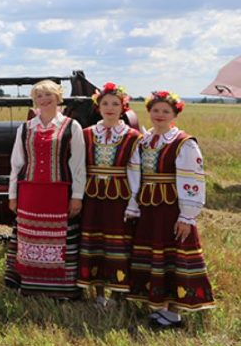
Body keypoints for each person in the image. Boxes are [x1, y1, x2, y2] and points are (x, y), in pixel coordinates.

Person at [126, 91, 214, 328]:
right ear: (149, 113)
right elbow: (135, 176)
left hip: (172, 209)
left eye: (165, 111)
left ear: (174, 114)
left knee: (173, 257)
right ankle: (160, 306)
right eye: (155, 110)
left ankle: (174, 312)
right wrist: (134, 205)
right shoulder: (144, 141)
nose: (159, 115)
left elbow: (192, 180)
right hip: (150, 209)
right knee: (157, 255)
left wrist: (187, 216)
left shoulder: (184, 143)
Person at [4, 80, 86, 298]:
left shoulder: (71, 126)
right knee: (30, 237)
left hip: (59, 193)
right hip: (30, 193)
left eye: (49, 94)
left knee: (60, 238)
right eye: (39, 96)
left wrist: (77, 196)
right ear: (35, 101)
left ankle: (62, 290)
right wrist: (12, 195)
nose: (44, 99)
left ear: (58, 97)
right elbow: (17, 164)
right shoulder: (26, 128)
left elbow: (78, 165)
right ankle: (30, 286)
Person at [76, 82, 141, 307]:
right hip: (92, 197)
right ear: (98, 106)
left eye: (115, 103)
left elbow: (136, 171)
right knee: (95, 242)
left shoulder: (133, 136)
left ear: (123, 107)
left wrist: (134, 202)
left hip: (119, 197)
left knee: (118, 244)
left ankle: (117, 294)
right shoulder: (86, 134)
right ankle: (99, 293)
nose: (110, 107)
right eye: (105, 103)